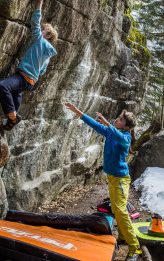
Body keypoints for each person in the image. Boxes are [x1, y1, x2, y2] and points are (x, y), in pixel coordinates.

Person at [64, 102, 142, 261]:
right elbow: (93, 124)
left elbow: (120, 137)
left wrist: (107, 123)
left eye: (120, 119)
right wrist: (77, 111)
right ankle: (122, 237)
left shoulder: (125, 137)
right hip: (111, 177)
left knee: (120, 209)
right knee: (115, 208)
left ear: (126, 126)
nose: (117, 119)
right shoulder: (110, 132)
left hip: (121, 179)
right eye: (119, 117)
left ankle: (135, 248)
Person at [0, 0, 58, 131]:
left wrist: (39, 3)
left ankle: (12, 117)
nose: (40, 31)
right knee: (16, 92)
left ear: (47, 35)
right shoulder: (47, 54)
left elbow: (35, 23)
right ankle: (11, 123)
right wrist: (29, 60)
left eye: (44, 30)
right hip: (30, 81)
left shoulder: (40, 41)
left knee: (2, 87)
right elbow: (41, 71)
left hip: (24, 77)